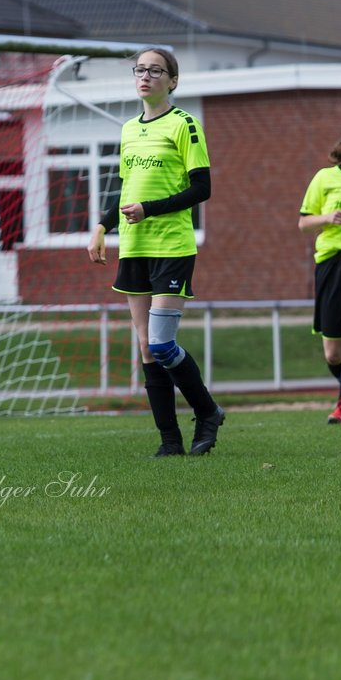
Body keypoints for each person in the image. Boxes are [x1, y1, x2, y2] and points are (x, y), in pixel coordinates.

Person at [87, 46, 225, 457]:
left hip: (172, 246)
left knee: (163, 344)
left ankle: (208, 411)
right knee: (146, 347)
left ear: (173, 80)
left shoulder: (185, 124)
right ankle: (170, 442)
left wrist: (151, 210)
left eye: (155, 70)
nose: (145, 76)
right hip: (134, 248)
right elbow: (128, 191)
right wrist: (101, 227)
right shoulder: (129, 129)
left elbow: (203, 189)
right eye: (140, 69)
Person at [297, 135, 341, 424]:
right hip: (331, 264)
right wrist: (328, 218)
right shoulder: (325, 178)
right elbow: (303, 223)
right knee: (334, 353)